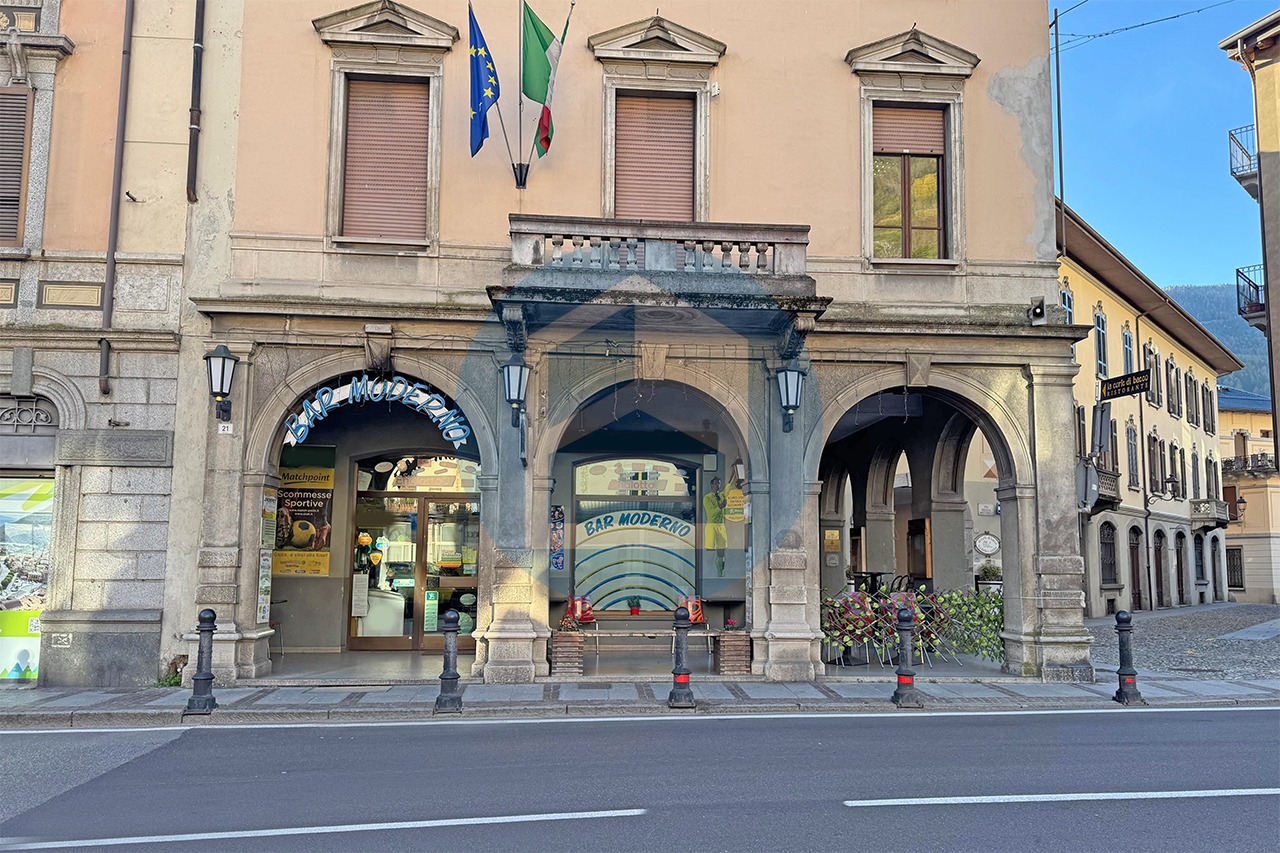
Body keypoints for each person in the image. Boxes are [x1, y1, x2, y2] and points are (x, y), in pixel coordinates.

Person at [703, 476, 728, 577]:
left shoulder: (721, 496)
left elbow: (728, 488)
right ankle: (707, 572)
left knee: (721, 551)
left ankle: (720, 572)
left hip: (721, 526)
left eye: (719, 483)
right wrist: (720, 507)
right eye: (716, 483)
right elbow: (711, 514)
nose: (718, 485)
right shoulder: (707, 498)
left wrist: (734, 475)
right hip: (711, 526)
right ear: (711, 485)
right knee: (710, 550)